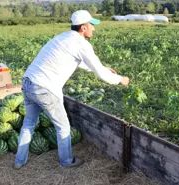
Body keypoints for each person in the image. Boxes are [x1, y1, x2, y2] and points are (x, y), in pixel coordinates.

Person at [14, 10, 130, 169]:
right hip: (45, 88)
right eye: (91, 26)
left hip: (28, 82)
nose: (94, 29)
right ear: (83, 27)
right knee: (63, 127)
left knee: (29, 124)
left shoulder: (63, 37)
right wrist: (120, 80)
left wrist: (103, 67)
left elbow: (81, 62)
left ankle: (19, 161)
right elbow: (102, 76)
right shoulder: (81, 44)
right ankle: (66, 161)